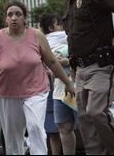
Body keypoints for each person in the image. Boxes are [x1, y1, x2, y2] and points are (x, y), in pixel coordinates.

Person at [50, 0, 114, 155]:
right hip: (80, 70)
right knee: (85, 119)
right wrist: (73, 69)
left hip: (101, 66)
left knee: (97, 112)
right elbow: (76, 38)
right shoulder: (70, 1)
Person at [0, 0, 74, 155]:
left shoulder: (36, 36)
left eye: (18, 14)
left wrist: (67, 83)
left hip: (35, 91)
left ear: (25, 18)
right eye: (10, 15)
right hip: (8, 93)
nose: (14, 18)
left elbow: (51, 61)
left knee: (35, 127)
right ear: (6, 19)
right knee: (13, 137)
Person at [39, 13, 76, 155]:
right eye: (59, 24)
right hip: (58, 89)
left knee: (86, 126)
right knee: (63, 127)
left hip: (76, 84)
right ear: (50, 27)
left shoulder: (70, 36)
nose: (62, 27)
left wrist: (67, 61)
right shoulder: (44, 42)